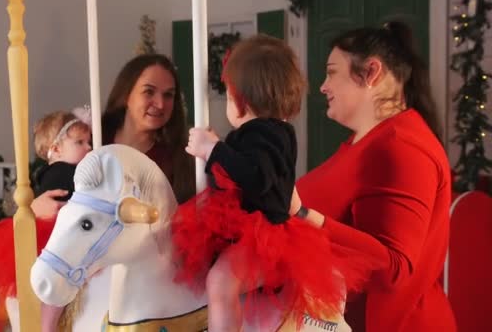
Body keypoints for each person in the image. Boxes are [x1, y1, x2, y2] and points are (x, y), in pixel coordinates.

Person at [171, 34, 364, 331]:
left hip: (267, 238)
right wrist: (216, 149)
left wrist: (214, 150)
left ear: (239, 98)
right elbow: (237, 172)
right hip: (249, 232)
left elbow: (256, 177)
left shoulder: (267, 133)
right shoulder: (263, 133)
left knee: (220, 282)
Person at [294, 21, 457, 331]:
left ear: (371, 72)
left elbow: (394, 269)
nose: (322, 86)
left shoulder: (400, 147)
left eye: (331, 72)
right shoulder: (369, 141)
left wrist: (302, 214)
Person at [0, 108, 92, 332]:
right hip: (54, 239)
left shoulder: (55, 171)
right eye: (80, 142)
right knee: (55, 287)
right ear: (56, 149)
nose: (89, 148)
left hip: (61, 235)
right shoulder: (64, 172)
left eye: (88, 141)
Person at [32, 53, 195, 218]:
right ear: (126, 95)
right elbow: (53, 181)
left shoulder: (176, 160)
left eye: (168, 95)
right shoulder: (89, 140)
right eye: (149, 92)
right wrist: (35, 208)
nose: (160, 104)